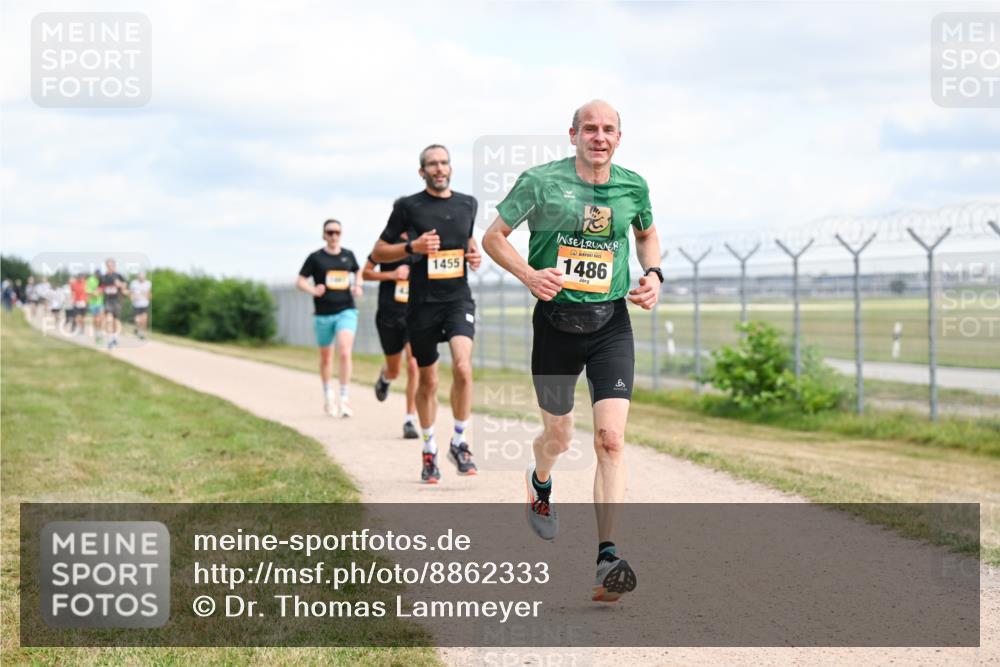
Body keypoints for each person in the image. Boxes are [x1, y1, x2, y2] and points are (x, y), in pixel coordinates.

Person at [481, 100, 663, 603]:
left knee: (610, 440)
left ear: (619, 138)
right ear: (573, 134)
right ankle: (539, 482)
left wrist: (653, 274)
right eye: (590, 129)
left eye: (608, 130)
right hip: (555, 325)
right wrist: (528, 275)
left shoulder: (633, 186)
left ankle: (608, 558)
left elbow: (647, 233)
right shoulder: (540, 182)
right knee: (558, 438)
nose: (598, 137)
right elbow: (493, 238)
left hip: (611, 324)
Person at [371, 144, 481, 484]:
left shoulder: (468, 203)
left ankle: (459, 442)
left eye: (444, 162)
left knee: (463, 367)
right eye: (432, 164)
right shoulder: (408, 206)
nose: (439, 168)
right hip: (421, 305)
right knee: (429, 380)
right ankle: (429, 448)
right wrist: (412, 247)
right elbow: (378, 252)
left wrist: (474, 255)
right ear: (422, 172)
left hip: (457, 299)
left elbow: (468, 241)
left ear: (451, 168)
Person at [297, 219, 363, 418]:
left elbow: (358, 271)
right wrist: (313, 290)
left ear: (341, 234)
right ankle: (328, 394)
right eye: (330, 232)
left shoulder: (348, 255)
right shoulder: (315, 258)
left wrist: (358, 285)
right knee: (326, 357)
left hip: (346, 310)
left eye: (337, 232)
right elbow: (300, 281)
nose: (334, 236)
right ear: (324, 235)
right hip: (323, 313)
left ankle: (344, 398)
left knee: (344, 351)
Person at [362, 231, 420, 439]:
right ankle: (386, 377)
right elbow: (365, 273)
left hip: (414, 314)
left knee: (413, 364)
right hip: (389, 315)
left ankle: (410, 420)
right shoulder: (386, 244)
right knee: (395, 370)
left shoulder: (422, 241)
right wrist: (392, 275)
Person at [100, 259, 127, 349]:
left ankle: (115, 337)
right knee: (108, 319)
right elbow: (100, 287)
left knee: (115, 320)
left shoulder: (119, 276)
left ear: (114, 266)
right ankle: (110, 339)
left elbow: (125, 285)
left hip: (117, 301)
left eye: (111, 265)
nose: (109, 267)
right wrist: (96, 291)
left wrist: (120, 285)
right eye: (107, 266)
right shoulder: (103, 277)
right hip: (107, 301)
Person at [129, 271, 152, 339]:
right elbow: (131, 292)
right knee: (137, 320)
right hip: (136, 304)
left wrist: (148, 296)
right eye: (140, 277)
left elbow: (149, 293)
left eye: (143, 277)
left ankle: (142, 333)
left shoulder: (148, 283)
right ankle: (137, 328)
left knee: (144, 319)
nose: (141, 278)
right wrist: (132, 297)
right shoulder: (134, 283)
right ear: (138, 277)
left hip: (145, 304)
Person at [86, 270, 104, 345]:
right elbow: (87, 291)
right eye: (97, 275)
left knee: (100, 319)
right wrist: (94, 293)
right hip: (92, 303)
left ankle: (100, 333)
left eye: (99, 275)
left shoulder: (102, 280)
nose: (98, 276)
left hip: (101, 302)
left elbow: (103, 288)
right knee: (95, 319)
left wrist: (100, 291)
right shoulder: (90, 280)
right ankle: (96, 333)